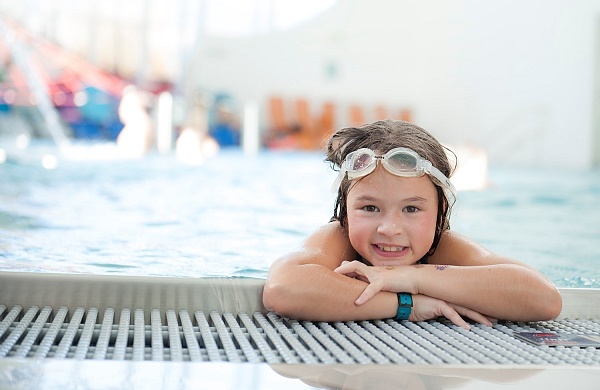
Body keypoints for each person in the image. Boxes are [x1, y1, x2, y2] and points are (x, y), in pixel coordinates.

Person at [263, 120, 562, 329]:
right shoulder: (339, 239)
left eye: (411, 209)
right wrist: (408, 304)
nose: (389, 228)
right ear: (345, 211)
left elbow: (544, 298)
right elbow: (282, 289)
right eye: (369, 208)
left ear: (439, 212)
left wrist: (413, 277)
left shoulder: (441, 248)